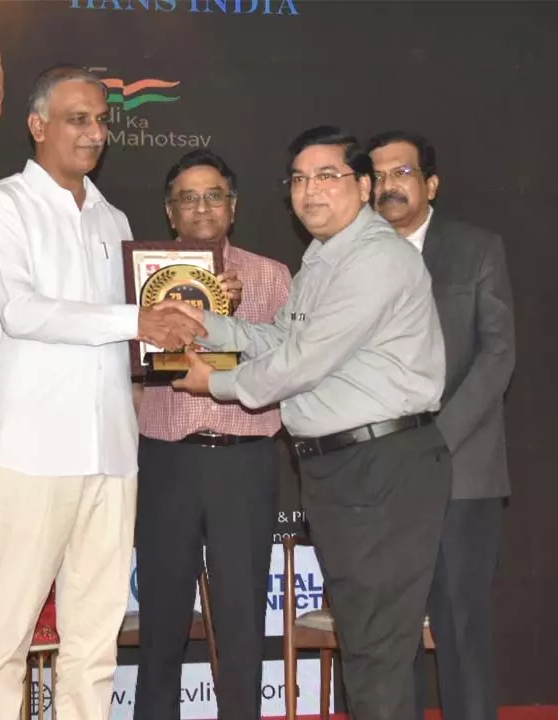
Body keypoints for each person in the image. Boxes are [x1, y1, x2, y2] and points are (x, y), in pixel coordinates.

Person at [168, 126, 451, 720]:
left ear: (364, 186)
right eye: (298, 179)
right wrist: (204, 322)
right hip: (345, 470)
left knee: (376, 649)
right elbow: (279, 337)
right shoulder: (324, 258)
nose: (310, 191)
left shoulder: (375, 258)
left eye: (328, 176)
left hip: (383, 467)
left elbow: (301, 361)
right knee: (365, 643)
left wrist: (215, 383)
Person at [0, 64, 207, 720]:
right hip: (30, 454)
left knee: (95, 642)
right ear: (38, 125)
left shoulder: (114, 218)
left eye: (102, 120)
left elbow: (138, 338)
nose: (95, 132)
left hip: (111, 454)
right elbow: (22, 310)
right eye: (79, 118)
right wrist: (137, 320)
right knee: (6, 639)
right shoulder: (1, 204)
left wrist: (196, 327)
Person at [133, 149, 291, 720]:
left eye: (214, 195)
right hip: (168, 459)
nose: (202, 207)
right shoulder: (145, 276)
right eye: (188, 198)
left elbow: (282, 368)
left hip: (243, 459)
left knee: (242, 621)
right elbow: (142, 366)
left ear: (234, 207)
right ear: (170, 213)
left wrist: (231, 319)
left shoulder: (272, 276)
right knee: (161, 621)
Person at [367, 130, 515, 720]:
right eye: (375, 176)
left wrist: (436, 439)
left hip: (461, 471)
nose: (387, 187)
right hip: (379, 477)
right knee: (388, 636)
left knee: (460, 626)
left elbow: (498, 355)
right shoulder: (351, 258)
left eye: (400, 173)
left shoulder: (477, 250)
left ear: (430, 183)